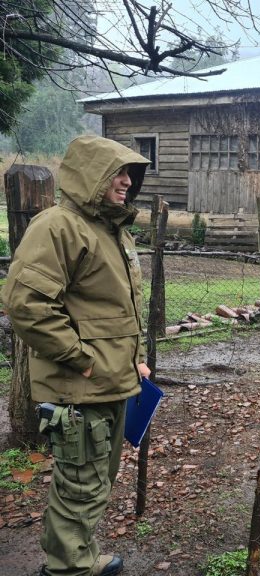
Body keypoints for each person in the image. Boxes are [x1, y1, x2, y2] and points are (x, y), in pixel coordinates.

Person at [2, 135, 152, 576]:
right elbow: (26, 305)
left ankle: (74, 557)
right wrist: (81, 358)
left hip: (111, 380)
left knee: (95, 479)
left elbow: (122, 309)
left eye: (130, 174)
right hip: (79, 386)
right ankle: (69, 569)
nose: (127, 181)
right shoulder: (58, 227)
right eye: (118, 172)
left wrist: (136, 358)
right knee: (81, 484)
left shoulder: (112, 230)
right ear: (91, 175)